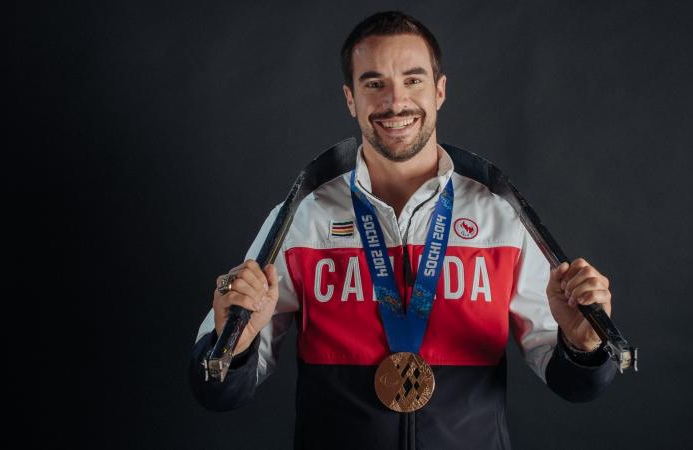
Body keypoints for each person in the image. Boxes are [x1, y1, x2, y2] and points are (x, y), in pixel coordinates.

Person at [189, 10, 617, 449]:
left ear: (440, 90)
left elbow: (577, 385)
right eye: (374, 84)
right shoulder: (304, 216)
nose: (396, 102)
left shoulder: (499, 216)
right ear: (351, 98)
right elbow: (217, 391)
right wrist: (233, 343)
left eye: (413, 80)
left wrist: (582, 345)